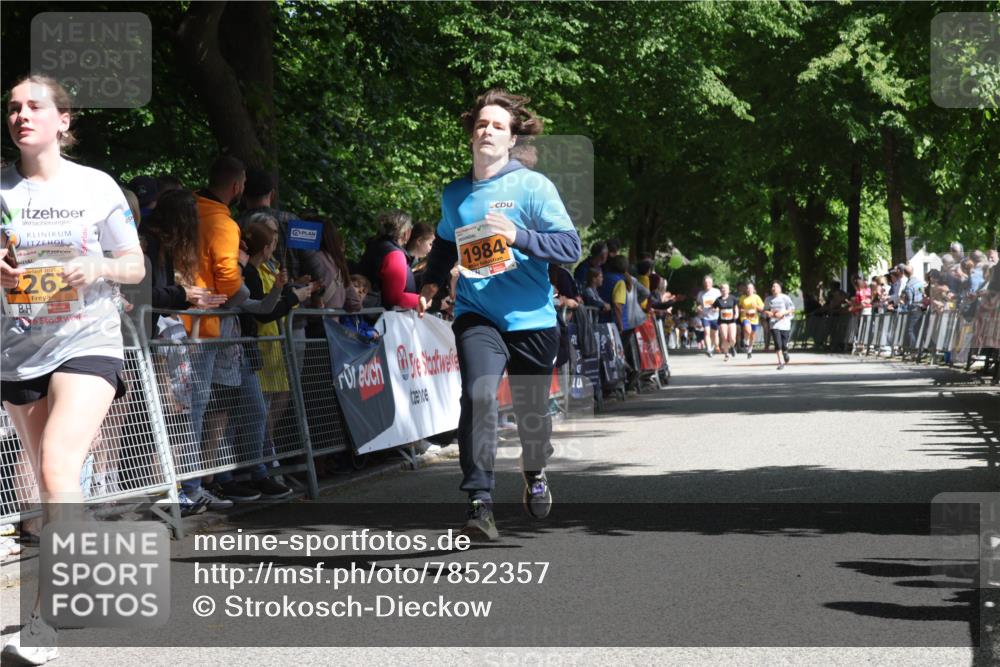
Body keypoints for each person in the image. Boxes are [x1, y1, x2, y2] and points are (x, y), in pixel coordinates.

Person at [1, 74, 146, 665]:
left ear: (63, 120)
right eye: (13, 107)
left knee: (59, 463)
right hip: (18, 347)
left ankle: (43, 623)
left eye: (34, 106)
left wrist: (99, 266)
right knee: (49, 479)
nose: (21, 115)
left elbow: (135, 264)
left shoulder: (95, 186)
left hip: (88, 339)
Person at [417, 89, 581, 540]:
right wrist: (431, 282)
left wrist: (518, 235)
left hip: (531, 319)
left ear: (512, 139)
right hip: (478, 313)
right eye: (481, 124)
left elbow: (570, 247)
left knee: (533, 416)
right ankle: (479, 502)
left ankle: (535, 469)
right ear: (471, 135)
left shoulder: (533, 186)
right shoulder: (455, 193)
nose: (488, 131)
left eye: (498, 126)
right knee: (480, 396)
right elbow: (446, 241)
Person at [358, 209, 420, 310]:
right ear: (407, 233)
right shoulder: (395, 255)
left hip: (365, 310)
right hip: (378, 315)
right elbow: (393, 299)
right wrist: (421, 300)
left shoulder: (375, 244)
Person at [763, 280, 795, 370]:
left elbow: (792, 309)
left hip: (785, 324)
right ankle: (781, 362)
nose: (774, 288)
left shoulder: (785, 298)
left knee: (784, 345)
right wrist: (769, 313)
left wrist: (782, 313)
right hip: (774, 324)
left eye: (776, 286)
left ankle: (785, 352)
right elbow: (765, 310)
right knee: (777, 343)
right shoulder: (768, 299)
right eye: (773, 286)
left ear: (780, 289)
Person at [696, 275, 721, 357]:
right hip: (705, 316)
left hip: (715, 316)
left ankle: (713, 346)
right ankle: (709, 349)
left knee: (714, 334)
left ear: (712, 283)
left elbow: (721, 303)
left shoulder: (717, 292)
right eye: (706, 282)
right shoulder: (701, 293)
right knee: (707, 332)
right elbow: (698, 303)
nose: (707, 284)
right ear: (703, 283)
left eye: (709, 282)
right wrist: (699, 308)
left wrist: (717, 309)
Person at [713, 282, 739, 360]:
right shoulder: (718, 299)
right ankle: (726, 354)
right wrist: (715, 309)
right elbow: (714, 307)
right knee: (724, 337)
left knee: (732, 338)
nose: (724, 290)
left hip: (732, 320)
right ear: (720, 290)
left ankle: (732, 347)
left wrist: (736, 313)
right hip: (722, 321)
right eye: (722, 288)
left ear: (728, 290)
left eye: (725, 288)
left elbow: (736, 307)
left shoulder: (733, 298)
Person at [739, 281, 765, 358]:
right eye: (748, 288)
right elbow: (740, 308)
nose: (749, 290)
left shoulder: (757, 297)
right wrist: (743, 310)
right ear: (746, 289)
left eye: (750, 288)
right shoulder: (742, 297)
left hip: (754, 318)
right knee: (748, 330)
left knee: (752, 335)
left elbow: (762, 309)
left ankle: (750, 349)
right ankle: (746, 341)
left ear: (753, 289)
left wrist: (756, 306)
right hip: (745, 317)